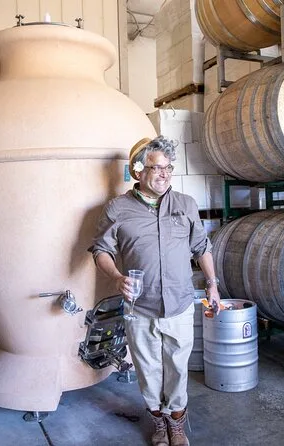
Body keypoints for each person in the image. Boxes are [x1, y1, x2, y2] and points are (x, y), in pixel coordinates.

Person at [89, 135, 221, 446]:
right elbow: (101, 250)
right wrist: (117, 277)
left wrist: (213, 285)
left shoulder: (185, 205)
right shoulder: (118, 209)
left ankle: (177, 424)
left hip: (179, 303)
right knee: (148, 370)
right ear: (138, 171)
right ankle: (159, 424)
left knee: (177, 368)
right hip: (139, 308)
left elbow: (202, 247)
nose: (164, 174)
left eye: (168, 168)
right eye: (156, 167)